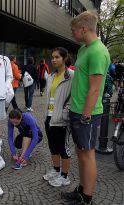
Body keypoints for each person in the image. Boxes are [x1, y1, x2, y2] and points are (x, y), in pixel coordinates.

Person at [61, 11, 110, 205]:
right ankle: (81, 189)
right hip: (77, 110)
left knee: (88, 154)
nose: (72, 33)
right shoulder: (83, 49)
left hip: (86, 113)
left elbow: (95, 88)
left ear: (83, 29)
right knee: (81, 150)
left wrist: (86, 116)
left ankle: (87, 197)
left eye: (73, 30)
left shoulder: (98, 51)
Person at [43, 47, 74, 187]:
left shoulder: (72, 75)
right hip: (49, 117)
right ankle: (56, 171)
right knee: (53, 146)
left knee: (63, 148)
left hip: (62, 118)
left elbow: (75, 96)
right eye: (52, 57)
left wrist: (66, 112)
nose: (54, 60)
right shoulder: (51, 76)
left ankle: (65, 176)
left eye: (57, 57)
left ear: (64, 58)